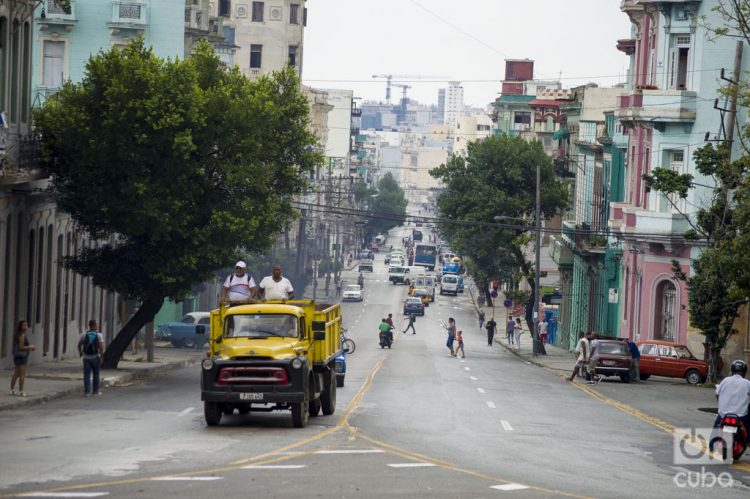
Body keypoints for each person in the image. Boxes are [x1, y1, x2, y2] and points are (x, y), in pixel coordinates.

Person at [714, 360, 750, 442]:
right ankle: (748, 441)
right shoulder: (747, 383)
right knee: (748, 424)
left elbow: (716, 394)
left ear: (732, 370)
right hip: (741, 416)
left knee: (715, 430)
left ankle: (713, 444)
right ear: (744, 372)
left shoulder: (725, 380)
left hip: (723, 415)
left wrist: (721, 402)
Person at [78, 319, 104, 396]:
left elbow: (79, 345)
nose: (97, 326)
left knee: (86, 375)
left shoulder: (84, 334)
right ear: (95, 325)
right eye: (97, 324)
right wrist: (102, 356)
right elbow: (101, 347)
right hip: (95, 357)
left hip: (86, 358)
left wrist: (80, 353)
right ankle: (95, 391)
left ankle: (87, 392)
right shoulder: (99, 335)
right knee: (96, 374)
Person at [10, 320, 35, 397]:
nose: (25, 327)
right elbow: (21, 347)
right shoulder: (22, 335)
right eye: (24, 325)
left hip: (17, 357)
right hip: (22, 357)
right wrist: (30, 347)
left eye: (26, 325)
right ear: (20, 326)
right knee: (22, 375)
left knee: (16, 373)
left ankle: (12, 389)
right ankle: (21, 391)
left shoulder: (18, 334)